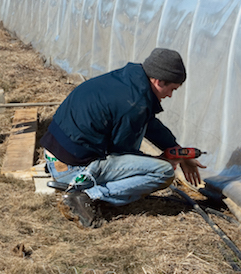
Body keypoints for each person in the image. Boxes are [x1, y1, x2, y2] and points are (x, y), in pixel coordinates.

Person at [40, 48, 206, 228]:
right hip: (72, 171)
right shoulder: (134, 105)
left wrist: (177, 149)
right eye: (172, 89)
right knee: (163, 172)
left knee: (148, 150)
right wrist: (157, 161)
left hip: (55, 157)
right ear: (158, 81)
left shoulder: (128, 82)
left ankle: (83, 186)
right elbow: (121, 152)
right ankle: (86, 196)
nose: (170, 95)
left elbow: (148, 123)